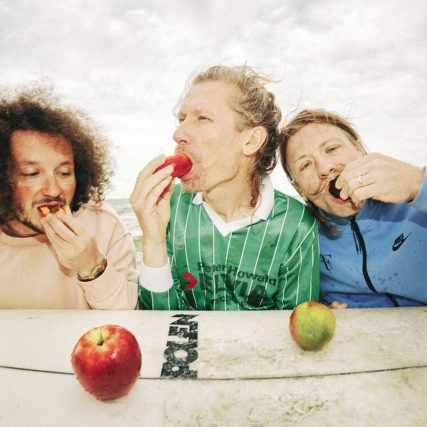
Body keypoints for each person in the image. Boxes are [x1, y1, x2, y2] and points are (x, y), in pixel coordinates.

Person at [131, 65, 319, 310]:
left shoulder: (296, 225)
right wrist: (153, 241)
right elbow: (161, 321)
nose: (178, 134)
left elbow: (299, 323)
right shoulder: (169, 208)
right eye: (182, 119)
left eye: (202, 118)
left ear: (250, 140)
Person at [0, 85, 138, 309]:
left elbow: (134, 317)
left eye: (64, 173)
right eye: (31, 173)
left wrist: (92, 266)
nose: (53, 190)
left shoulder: (104, 224)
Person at [279, 109, 427, 308]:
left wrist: (418, 184)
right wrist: (325, 311)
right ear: (298, 187)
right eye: (305, 165)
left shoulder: (415, 199)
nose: (324, 168)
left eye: (332, 148)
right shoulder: (301, 239)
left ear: (359, 149)